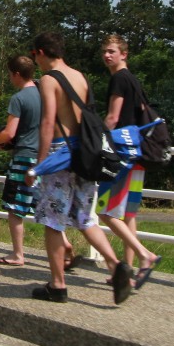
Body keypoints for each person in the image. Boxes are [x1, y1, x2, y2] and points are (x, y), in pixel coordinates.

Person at [30, 32, 134, 304]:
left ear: (40, 52)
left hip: (60, 154)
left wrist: (40, 165)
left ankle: (57, 285)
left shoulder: (49, 80)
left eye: (34, 55)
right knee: (85, 217)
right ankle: (115, 265)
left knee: (52, 220)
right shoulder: (80, 76)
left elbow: (48, 123)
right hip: (86, 153)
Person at [97, 35, 163, 285]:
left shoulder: (119, 79)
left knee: (106, 212)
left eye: (112, 51)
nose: (107, 55)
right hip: (138, 155)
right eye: (105, 51)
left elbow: (113, 118)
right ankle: (128, 271)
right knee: (128, 215)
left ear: (124, 54)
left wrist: (96, 143)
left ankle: (146, 255)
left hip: (122, 156)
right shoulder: (134, 80)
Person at [0, 55, 41, 266]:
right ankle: (65, 246)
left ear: (17, 74)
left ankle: (18, 254)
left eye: (10, 74)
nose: (10, 77)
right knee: (45, 206)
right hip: (43, 157)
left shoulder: (19, 98)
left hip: (23, 157)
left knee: (14, 207)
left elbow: (10, 132)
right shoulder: (44, 94)